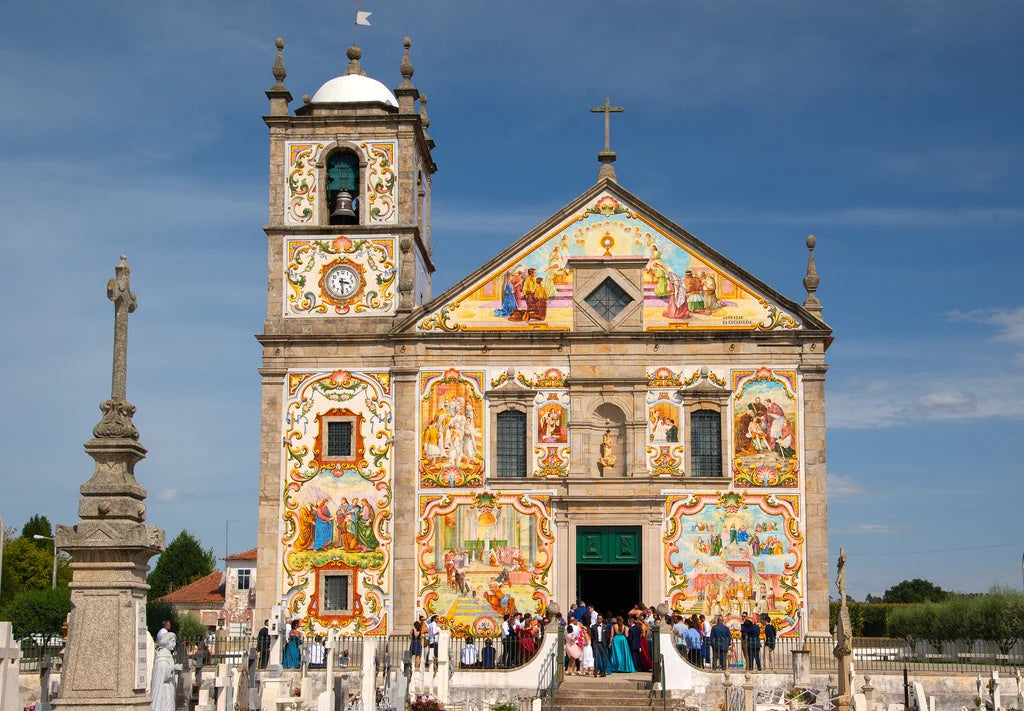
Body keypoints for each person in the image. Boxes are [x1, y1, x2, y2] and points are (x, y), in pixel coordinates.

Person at [151, 631, 177, 711]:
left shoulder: (168, 655)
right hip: (164, 689)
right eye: (172, 641)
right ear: (166, 642)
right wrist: (173, 668)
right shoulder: (161, 657)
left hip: (169, 687)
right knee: (166, 707)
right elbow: (163, 675)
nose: (174, 644)